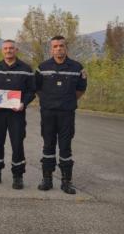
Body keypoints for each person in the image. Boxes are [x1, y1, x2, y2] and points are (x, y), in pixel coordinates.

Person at [36, 35, 87, 194]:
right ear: (51, 49)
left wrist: (68, 101)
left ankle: (66, 181)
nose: (59, 48)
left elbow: (80, 89)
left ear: (66, 48)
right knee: (48, 145)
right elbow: (37, 88)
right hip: (48, 113)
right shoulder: (42, 67)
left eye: (61, 46)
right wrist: (48, 101)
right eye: (55, 46)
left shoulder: (77, 68)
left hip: (66, 113)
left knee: (65, 147)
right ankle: (47, 179)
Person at [0, 40, 36, 189]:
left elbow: (31, 90)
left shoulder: (26, 69)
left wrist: (23, 103)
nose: (8, 51)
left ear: (16, 50)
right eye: (6, 48)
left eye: (11, 48)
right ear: (2, 51)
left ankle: (18, 176)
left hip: (17, 114)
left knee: (17, 144)